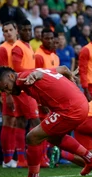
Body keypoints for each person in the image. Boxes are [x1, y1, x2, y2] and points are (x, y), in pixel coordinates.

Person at [0, 66, 92, 177]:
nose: (8, 91)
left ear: (11, 76)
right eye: (4, 91)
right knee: (53, 138)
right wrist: (69, 76)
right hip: (80, 104)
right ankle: (91, 159)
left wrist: (35, 75)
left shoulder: (24, 78)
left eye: (6, 87)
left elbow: (39, 74)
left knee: (32, 137)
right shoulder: (28, 74)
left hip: (70, 109)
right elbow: (63, 68)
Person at [10, 19, 41, 168]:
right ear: (18, 31)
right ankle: (35, 157)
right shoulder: (18, 47)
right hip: (24, 88)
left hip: (26, 87)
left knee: (21, 122)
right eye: (25, 30)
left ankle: (22, 159)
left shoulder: (28, 46)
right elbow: (17, 69)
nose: (28, 32)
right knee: (36, 122)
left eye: (30, 30)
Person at [34, 28, 60, 167]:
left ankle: (47, 157)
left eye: (51, 38)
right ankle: (41, 157)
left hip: (54, 99)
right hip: (43, 99)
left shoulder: (55, 57)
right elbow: (35, 80)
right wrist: (41, 100)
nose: (49, 41)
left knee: (49, 129)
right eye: (46, 38)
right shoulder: (38, 55)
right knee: (42, 129)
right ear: (41, 39)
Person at [0, 21, 18, 168]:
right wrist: (8, 95)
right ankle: (7, 159)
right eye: (5, 31)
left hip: (20, 89)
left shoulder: (21, 46)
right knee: (8, 122)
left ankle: (14, 157)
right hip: (10, 90)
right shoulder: (3, 49)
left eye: (10, 30)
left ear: (16, 30)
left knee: (17, 123)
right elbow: (2, 74)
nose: (8, 33)